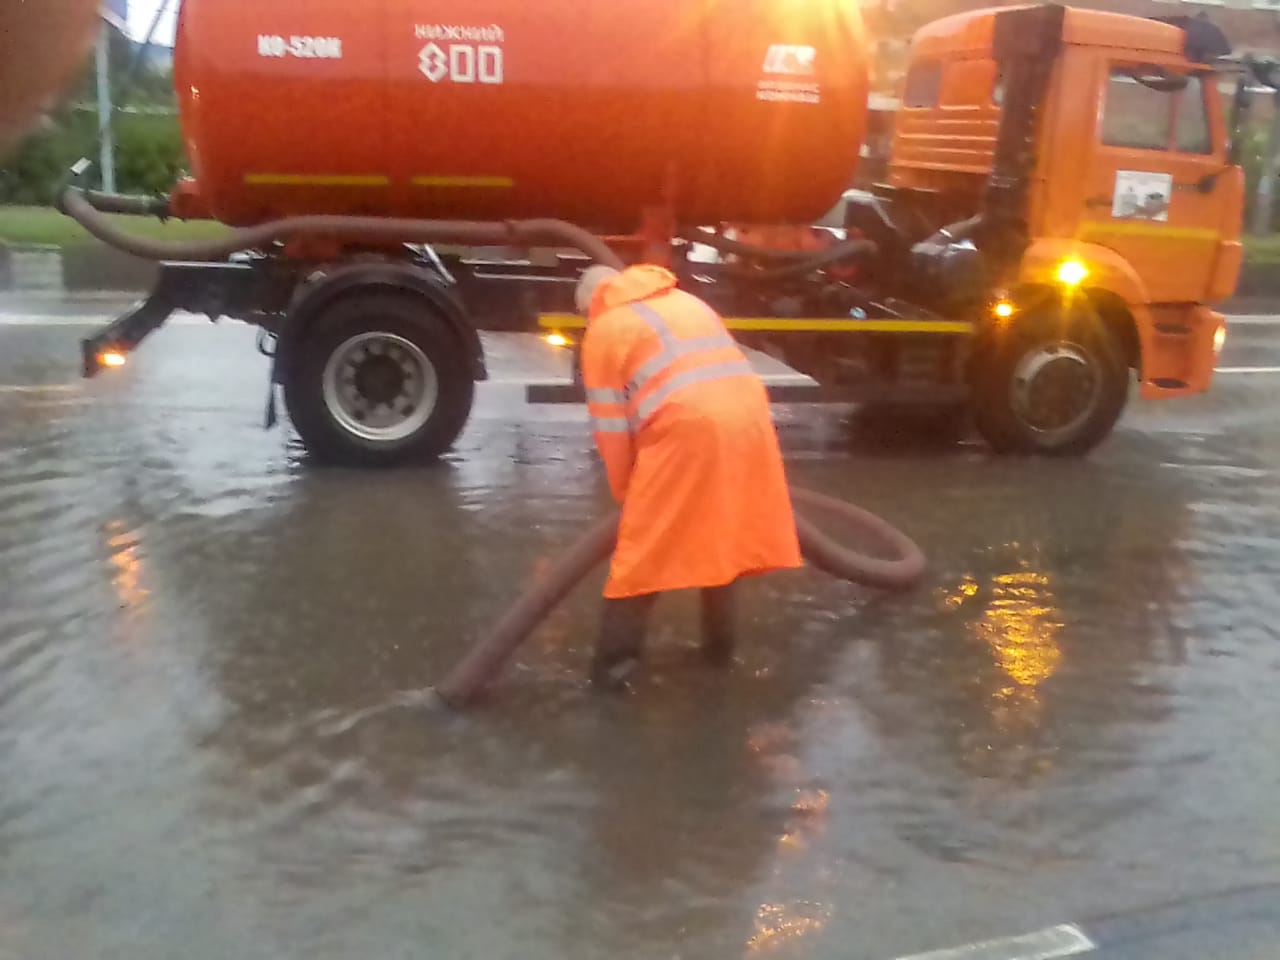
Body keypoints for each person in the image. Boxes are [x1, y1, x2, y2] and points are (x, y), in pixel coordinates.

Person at [574, 262, 803, 688]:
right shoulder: (686, 300)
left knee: (639, 560)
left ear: (592, 305)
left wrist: (630, 495)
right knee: (724, 538)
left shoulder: (604, 332)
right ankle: (719, 656)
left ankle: (612, 677)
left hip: (690, 428)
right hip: (750, 420)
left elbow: (610, 430)